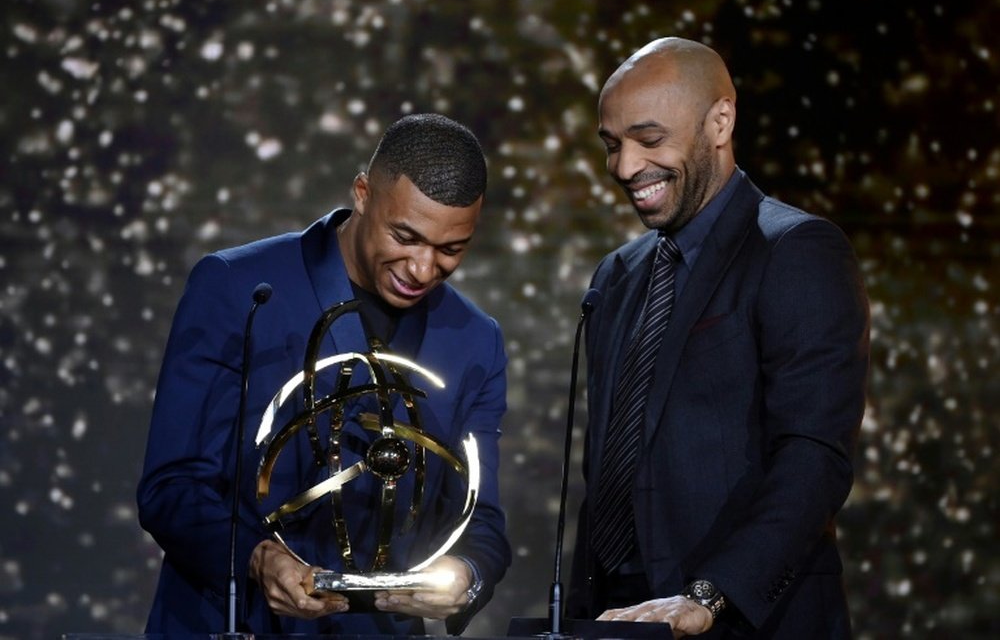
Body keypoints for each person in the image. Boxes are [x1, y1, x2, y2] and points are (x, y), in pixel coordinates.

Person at [137, 113, 511, 635]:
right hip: (229, 623)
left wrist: (464, 576)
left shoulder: (475, 339)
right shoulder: (236, 287)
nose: (423, 269)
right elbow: (171, 486)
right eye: (405, 236)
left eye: (451, 249)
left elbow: (482, 522)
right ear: (362, 193)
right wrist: (257, 558)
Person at [567, 37, 870, 638]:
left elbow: (815, 453)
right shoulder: (616, 276)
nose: (625, 168)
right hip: (620, 617)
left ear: (720, 121)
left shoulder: (795, 250)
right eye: (612, 145)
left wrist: (710, 594)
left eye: (649, 140)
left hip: (745, 619)